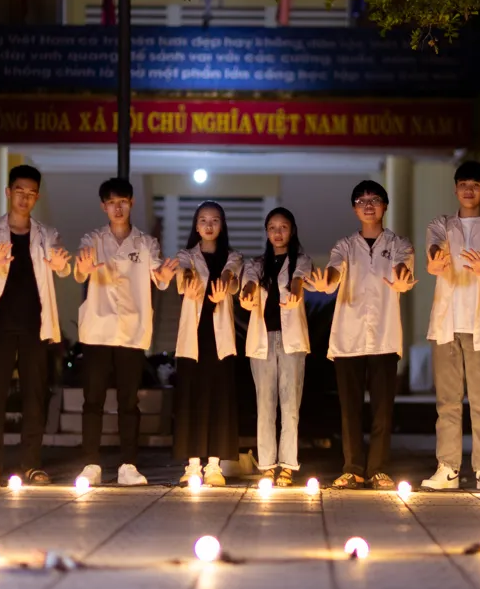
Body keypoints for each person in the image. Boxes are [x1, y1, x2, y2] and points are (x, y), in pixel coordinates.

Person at [308, 180, 416, 490]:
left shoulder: (399, 244)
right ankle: (353, 468)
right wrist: (327, 280)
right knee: (350, 409)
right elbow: (334, 271)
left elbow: (403, 272)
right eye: (361, 201)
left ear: (385, 206)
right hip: (349, 337)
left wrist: (402, 276)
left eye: (374, 200)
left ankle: (379, 468)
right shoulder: (344, 246)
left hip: (383, 335)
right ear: (354, 209)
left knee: (383, 409)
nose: (368, 205)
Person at [73, 178, 179, 486]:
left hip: (131, 330)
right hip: (97, 329)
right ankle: (91, 464)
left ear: (131, 203)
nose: (117, 208)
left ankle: (128, 465)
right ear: (103, 206)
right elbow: (80, 270)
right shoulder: (93, 239)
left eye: (123, 202)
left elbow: (159, 277)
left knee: (129, 401)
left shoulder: (146, 243)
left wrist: (164, 274)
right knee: (93, 399)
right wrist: (84, 267)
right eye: (111, 203)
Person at [0, 164, 71, 486]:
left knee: (34, 397)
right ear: (8, 192)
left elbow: (60, 263)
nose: (24, 198)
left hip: (35, 324)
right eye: (19, 191)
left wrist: (60, 263)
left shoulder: (46, 233)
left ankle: (32, 464)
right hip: (1, 324)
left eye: (31, 193)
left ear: (37, 197)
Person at [420, 161, 480, 493]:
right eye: (463, 184)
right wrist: (434, 259)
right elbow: (433, 247)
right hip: (446, 323)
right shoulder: (441, 224)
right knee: (447, 401)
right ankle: (448, 468)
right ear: (455, 188)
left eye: (475, 184)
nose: (468, 190)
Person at [239, 207, 312, 487]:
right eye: (272, 227)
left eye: (283, 227)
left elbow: (299, 278)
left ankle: (288, 465)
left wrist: (295, 289)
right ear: (266, 232)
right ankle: (268, 464)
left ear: (292, 230)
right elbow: (248, 282)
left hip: (291, 339)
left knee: (290, 404)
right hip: (263, 340)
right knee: (265, 404)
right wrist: (247, 292)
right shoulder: (257, 264)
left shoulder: (301, 260)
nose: (278, 232)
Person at [174, 201, 244, 487]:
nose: (209, 225)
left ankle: (214, 465)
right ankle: (192, 465)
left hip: (220, 340)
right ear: (196, 225)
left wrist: (224, 284)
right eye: (203, 220)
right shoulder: (186, 255)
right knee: (192, 399)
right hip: (194, 337)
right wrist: (188, 279)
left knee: (219, 399)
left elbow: (232, 275)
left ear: (222, 225)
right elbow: (183, 273)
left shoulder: (233, 257)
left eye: (215, 220)